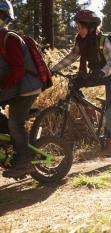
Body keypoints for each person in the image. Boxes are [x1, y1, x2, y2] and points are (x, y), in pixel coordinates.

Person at [51, 10, 111, 155]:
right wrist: (53, 69)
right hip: (95, 74)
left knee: (109, 107)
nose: (78, 30)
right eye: (77, 27)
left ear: (91, 27)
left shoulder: (103, 40)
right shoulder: (81, 41)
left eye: (81, 27)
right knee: (75, 84)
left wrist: (102, 72)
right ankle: (90, 110)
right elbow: (71, 57)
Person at [0, 0, 43, 178]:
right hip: (13, 88)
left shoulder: (9, 39)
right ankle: (13, 148)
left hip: (27, 87)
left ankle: (25, 162)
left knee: (15, 123)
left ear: (6, 20)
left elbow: (18, 70)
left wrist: (2, 84)